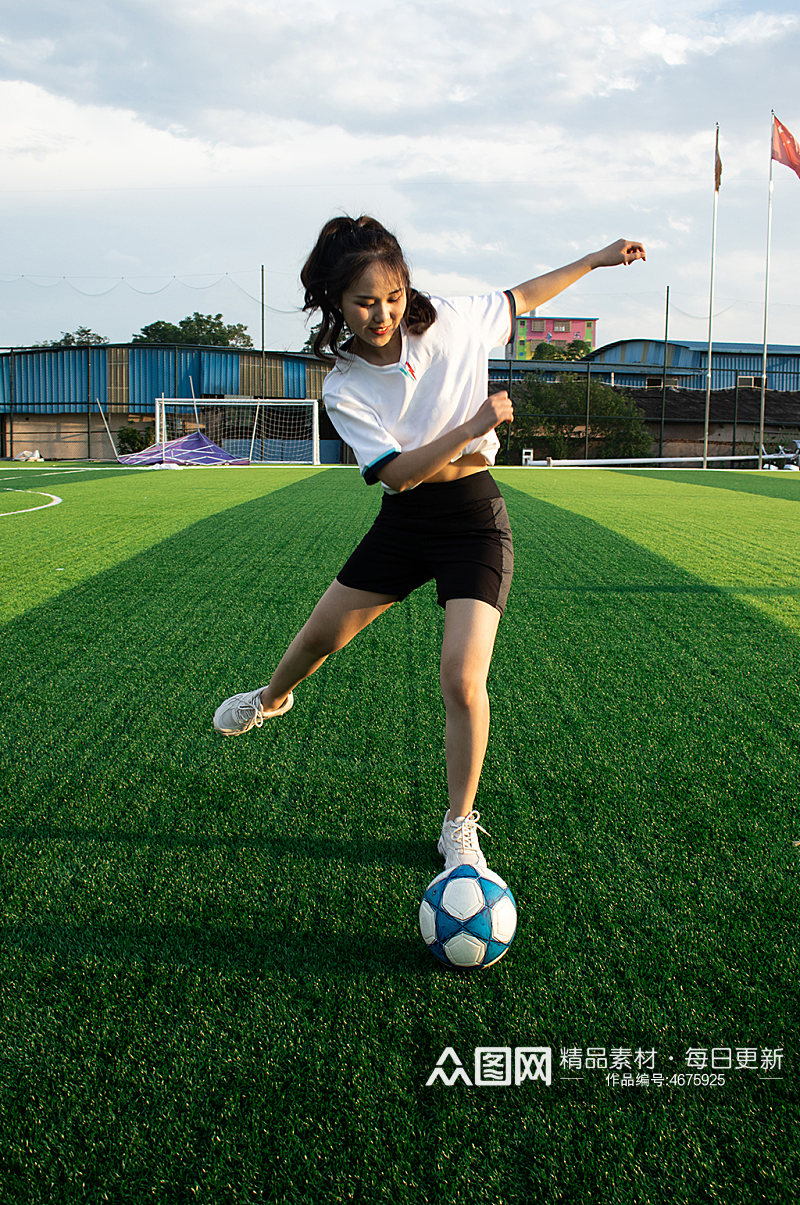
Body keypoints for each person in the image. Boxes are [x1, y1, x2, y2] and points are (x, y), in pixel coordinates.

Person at [214, 216, 645, 870]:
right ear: (336, 300)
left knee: (462, 679)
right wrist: (474, 422)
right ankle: (271, 699)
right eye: (363, 301)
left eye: (390, 295)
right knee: (318, 640)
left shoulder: (454, 320)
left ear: (404, 285)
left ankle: (458, 824)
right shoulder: (346, 384)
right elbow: (400, 472)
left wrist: (597, 257)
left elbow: (524, 296)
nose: (380, 312)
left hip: (474, 517)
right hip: (407, 520)